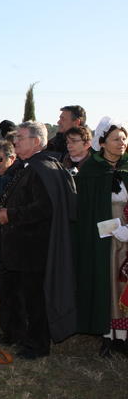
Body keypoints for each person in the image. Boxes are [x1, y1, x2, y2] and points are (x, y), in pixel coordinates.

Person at [0, 121, 76, 359]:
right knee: (13, 293)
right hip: (18, 244)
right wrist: (0, 214)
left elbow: (45, 208)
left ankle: (36, 345)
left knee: (33, 299)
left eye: (21, 138)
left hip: (32, 247)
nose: (15, 141)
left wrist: (11, 215)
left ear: (37, 142)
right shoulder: (29, 166)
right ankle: (16, 334)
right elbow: (20, 201)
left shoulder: (42, 168)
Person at [70, 117, 128, 357]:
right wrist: (113, 228)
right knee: (107, 283)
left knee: (124, 284)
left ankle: (124, 336)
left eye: (124, 138)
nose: (122, 143)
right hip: (104, 241)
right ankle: (108, 334)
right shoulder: (91, 171)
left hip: (127, 237)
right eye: (116, 139)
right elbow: (87, 210)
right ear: (103, 143)